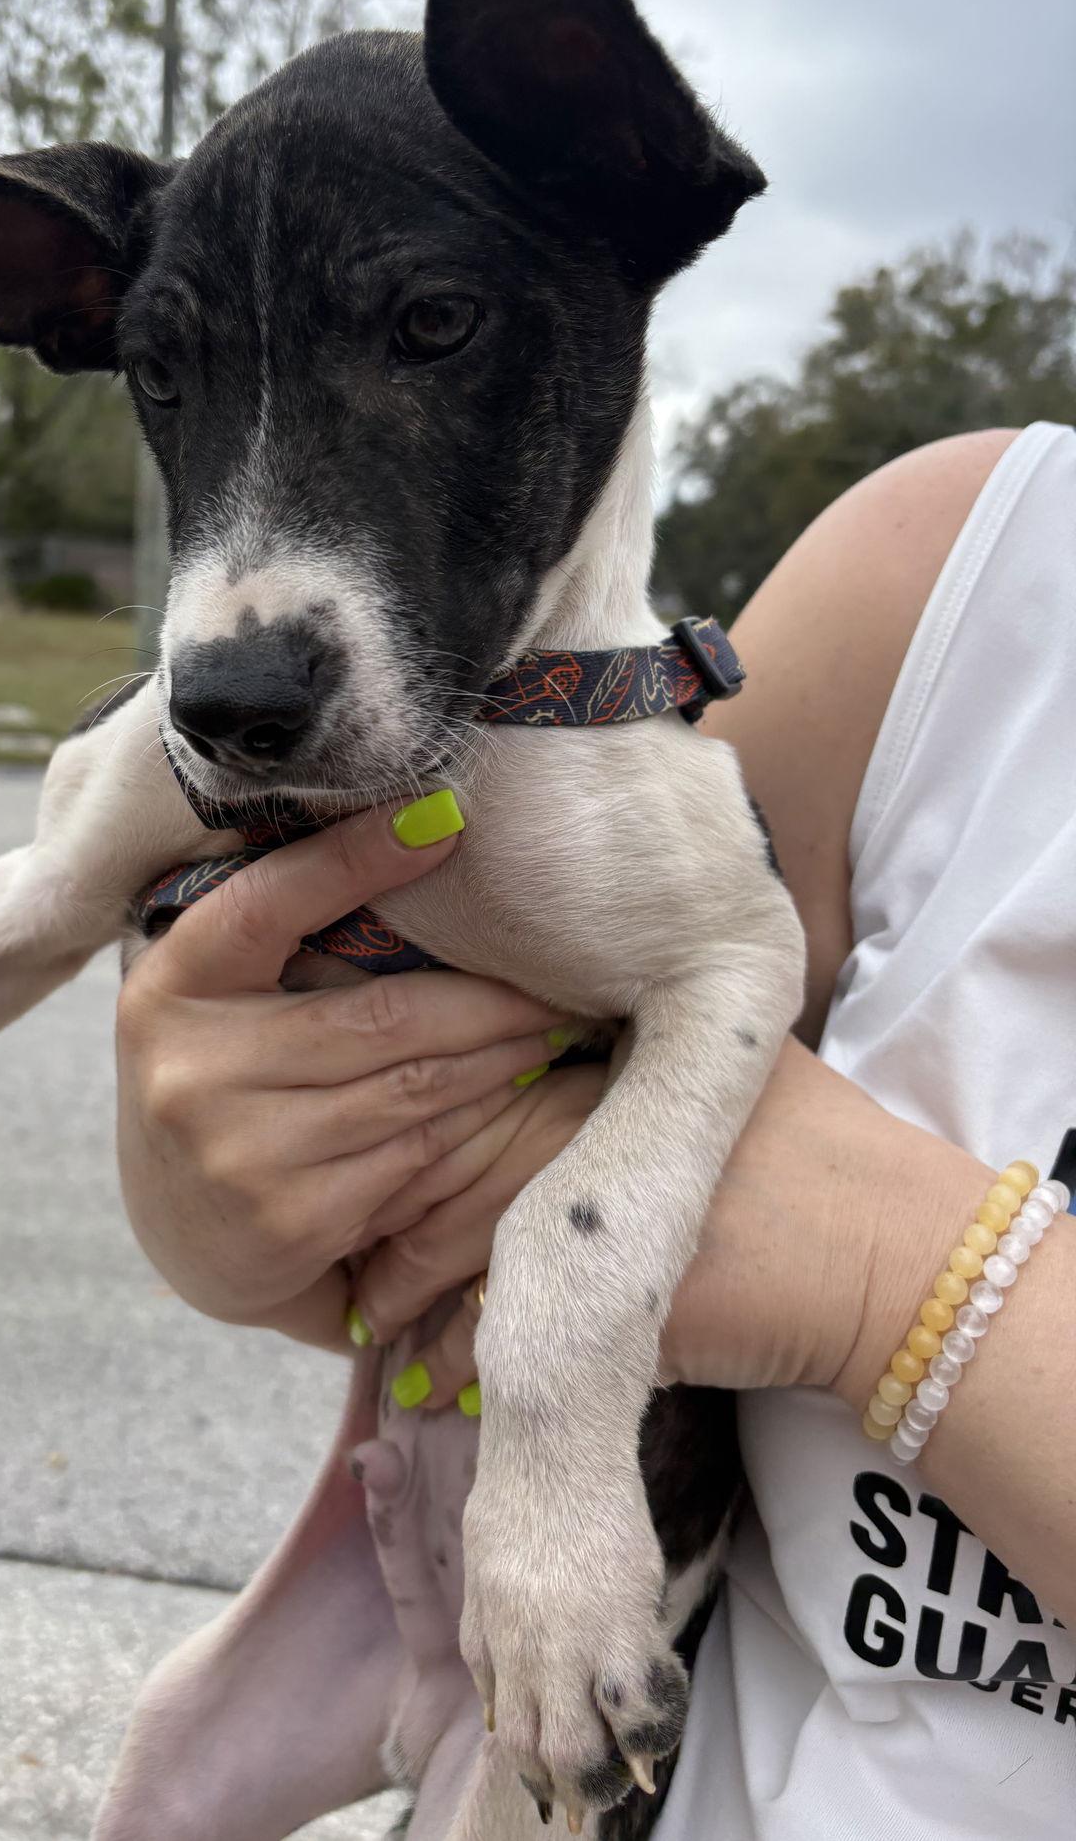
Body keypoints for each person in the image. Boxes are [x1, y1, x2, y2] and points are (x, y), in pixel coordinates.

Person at [115, 422, 1076, 1837]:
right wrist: (234, 1208)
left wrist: (902, 1279)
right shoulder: (960, 568)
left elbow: (743, 1246)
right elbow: (561, 1170)